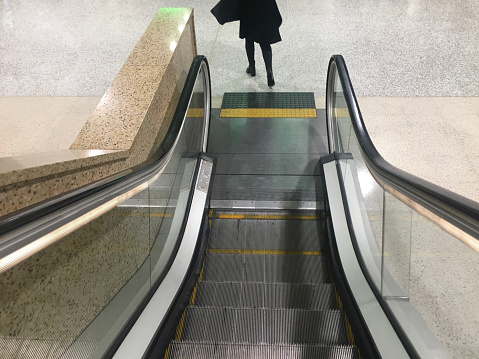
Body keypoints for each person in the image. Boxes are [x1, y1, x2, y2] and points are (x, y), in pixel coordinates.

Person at [239, 0, 282, 87]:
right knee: (265, 42)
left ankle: (252, 67)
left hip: (248, 7)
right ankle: (269, 71)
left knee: (249, 38)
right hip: (263, 6)